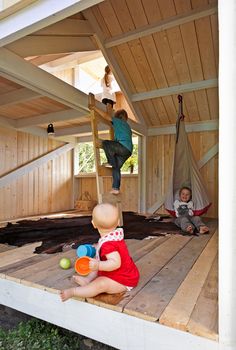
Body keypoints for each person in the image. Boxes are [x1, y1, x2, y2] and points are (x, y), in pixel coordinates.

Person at [60, 203, 140, 302]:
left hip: (123, 280)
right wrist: (97, 248)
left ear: (93, 224)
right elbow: (106, 247)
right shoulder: (113, 236)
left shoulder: (109, 244)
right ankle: (88, 280)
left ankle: (74, 292)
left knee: (100, 284)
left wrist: (98, 265)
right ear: (118, 222)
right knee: (96, 261)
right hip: (123, 272)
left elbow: (116, 263)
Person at [102, 109, 133, 195]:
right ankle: (116, 188)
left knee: (105, 143)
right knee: (116, 167)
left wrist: (94, 108)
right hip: (128, 151)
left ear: (119, 116)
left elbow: (106, 116)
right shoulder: (127, 126)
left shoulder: (119, 121)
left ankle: (110, 162)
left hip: (123, 147)